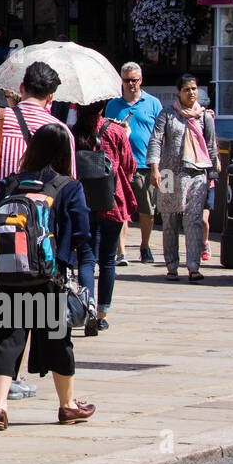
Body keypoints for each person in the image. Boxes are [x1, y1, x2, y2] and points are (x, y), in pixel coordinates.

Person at [0, 124, 96, 433]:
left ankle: (0, 409)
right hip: (48, 278)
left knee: (4, 340)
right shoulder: (68, 186)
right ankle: (67, 407)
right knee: (57, 342)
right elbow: (82, 239)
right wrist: (89, 290)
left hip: (7, 275)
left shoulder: (10, 184)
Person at [146, 73, 219, 283]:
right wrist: (154, 169)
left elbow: (212, 147)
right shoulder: (167, 114)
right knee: (169, 220)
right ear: (179, 92)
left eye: (194, 89)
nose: (191, 93)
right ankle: (171, 265)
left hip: (197, 173)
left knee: (194, 220)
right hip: (169, 173)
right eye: (187, 89)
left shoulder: (205, 117)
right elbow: (156, 141)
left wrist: (213, 175)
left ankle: (194, 267)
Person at [72, 101, 136, 334]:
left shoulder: (73, 132)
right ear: (102, 107)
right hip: (113, 202)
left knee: (86, 260)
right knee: (108, 260)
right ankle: (101, 314)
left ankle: (86, 309)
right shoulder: (117, 131)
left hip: (84, 204)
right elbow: (130, 166)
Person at [0, 61, 75, 182]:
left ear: (21, 88)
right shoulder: (62, 131)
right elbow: (69, 181)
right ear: (50, 97)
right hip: (45, 200)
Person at [104, 62, 164, 266]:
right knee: (121, 211)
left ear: (141, 80)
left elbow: (160, 136)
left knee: (147, 211)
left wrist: (157, 167)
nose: (131, 84)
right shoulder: (113, 105)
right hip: (120, 166)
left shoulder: (153, 103)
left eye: (134, 80)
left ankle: (145, 246)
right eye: (127, 80)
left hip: (144, 165)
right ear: (121, 81)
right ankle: (121, 252)